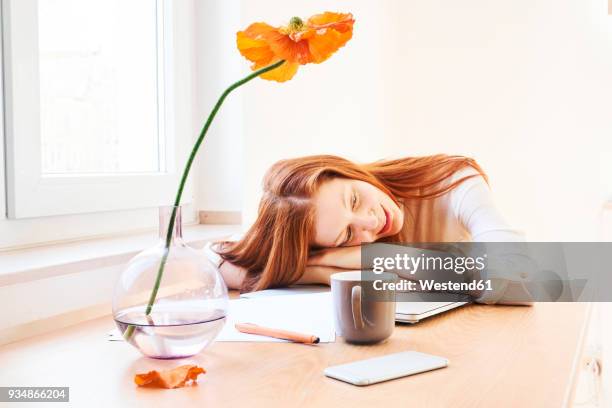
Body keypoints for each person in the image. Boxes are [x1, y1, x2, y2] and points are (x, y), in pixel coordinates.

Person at [205, 154, 531, 304]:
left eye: (355, 199)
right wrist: (318, 271)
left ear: (349, 172)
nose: (371, 222)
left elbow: (523, 283)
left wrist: (381, 254)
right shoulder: (318, 239)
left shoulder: (452, 182)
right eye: (348, 235)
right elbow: (219, 261)